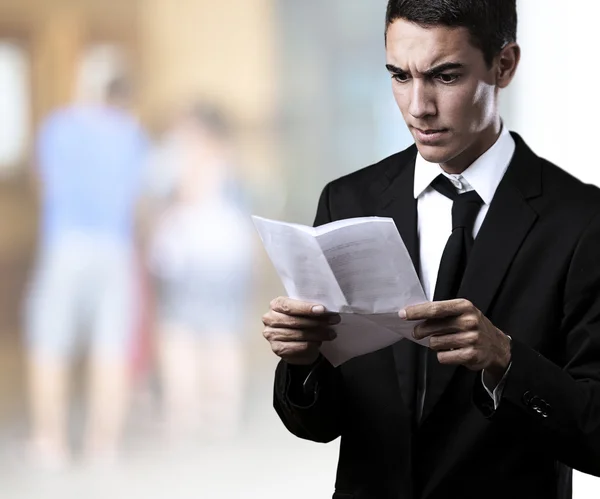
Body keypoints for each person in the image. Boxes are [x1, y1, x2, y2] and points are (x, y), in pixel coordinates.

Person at [261, 1, 600, 498]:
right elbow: (317, 425)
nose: (418, 106)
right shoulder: (346, 200)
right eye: (399, 75)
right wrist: (303, 361)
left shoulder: (581, 222)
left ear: (504, 65)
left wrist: (504, 359)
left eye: (444, 76)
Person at [25, 75, 147, 468]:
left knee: (49, 344)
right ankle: (103, 447)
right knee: (111, 346)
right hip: (115, 247)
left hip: (65, 244)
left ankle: (50, 445)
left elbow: (42, 184)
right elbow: (141, 196)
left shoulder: (57, 126)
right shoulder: (132, 134)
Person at [143, 103, 254, 444]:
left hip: (192, 258)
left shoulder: (184, 157)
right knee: (223, 334)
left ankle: (183, 414)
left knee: (179, 335)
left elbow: (177, 194)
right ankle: (222, 413)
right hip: (230, 257)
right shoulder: (231, 158)